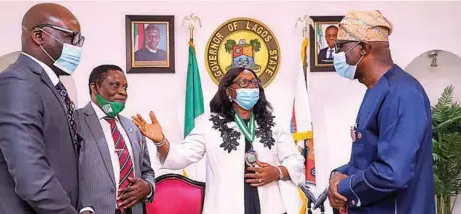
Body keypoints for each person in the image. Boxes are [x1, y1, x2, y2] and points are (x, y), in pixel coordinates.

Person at [132, 67, 305, 214]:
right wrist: (161, 141)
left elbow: (295, 159)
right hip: (224, 207)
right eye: (244, 83)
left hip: (270, 207)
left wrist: (278, 172)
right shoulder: (208, 123)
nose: (251, 87)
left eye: (254, 83)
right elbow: (181, 156)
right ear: (228, 91)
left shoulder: (272, 122)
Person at [328, 10, 435, 214]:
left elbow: (392, 173)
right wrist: (337, 175)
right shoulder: (376, 90)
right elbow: (364, 159)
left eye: (341, 47)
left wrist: (342, 187)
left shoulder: (403, 94)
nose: (336, 54)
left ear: (363, 48)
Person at [0, 3, 84, 214]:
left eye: (79, 40)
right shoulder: (16, 82)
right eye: (70, 38)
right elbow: (32, 176)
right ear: (38, 36)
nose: (76, 48)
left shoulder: (51, 86)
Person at [77, 65, 155, 214]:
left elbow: (147, 171)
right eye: (115, 85)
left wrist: (148, 187)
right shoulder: (75, 122)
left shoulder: (133, 127)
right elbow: (64, 173)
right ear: (95, 88)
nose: (123, 92)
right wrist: (83, 207)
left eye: (125, 87)